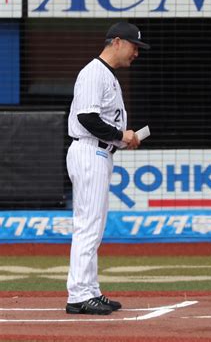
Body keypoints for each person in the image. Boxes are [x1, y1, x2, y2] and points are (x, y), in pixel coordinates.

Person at [65, 22, 150, 315]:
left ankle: (89, 290)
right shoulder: (93, 72)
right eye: (134, 46)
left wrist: (125, 139)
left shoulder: (106, 75)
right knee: (88, 226)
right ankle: (78, 294)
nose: (136, 53)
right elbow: (87, 118)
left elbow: (101, 122)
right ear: (117, 42)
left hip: (99, 152)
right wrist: (119, 135)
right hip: (89, 151)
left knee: (94, 227)